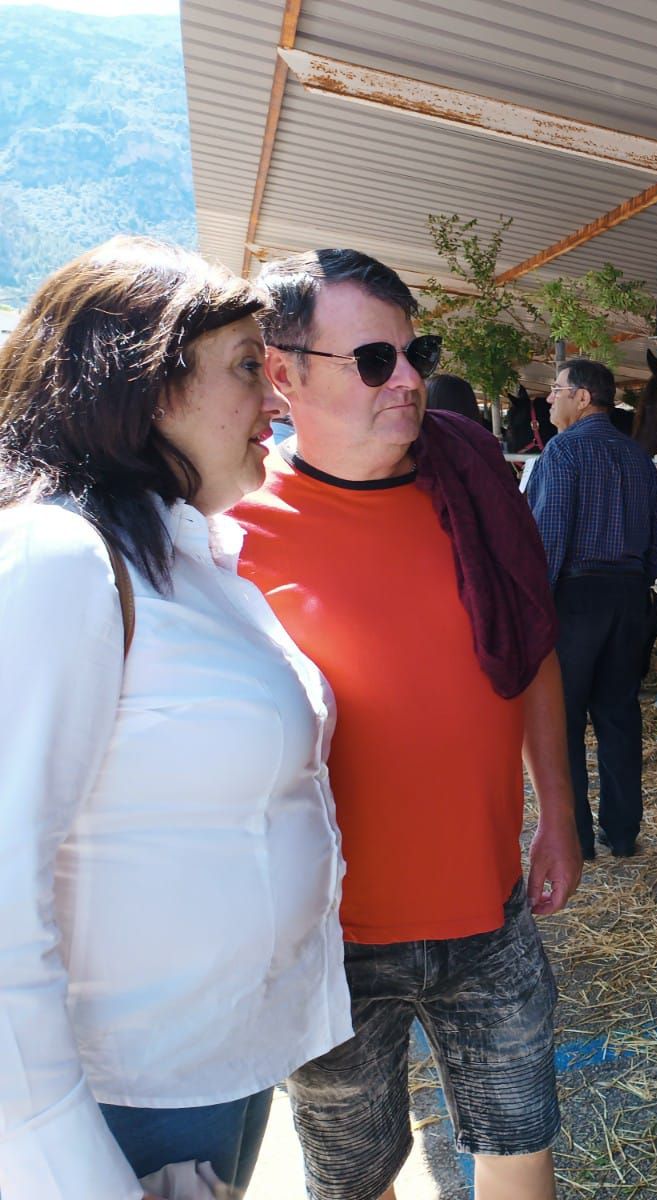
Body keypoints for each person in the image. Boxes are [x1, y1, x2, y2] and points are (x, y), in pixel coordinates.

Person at [0, 237, 350, 1199]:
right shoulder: (60, 559)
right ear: (143, 388)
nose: (276, 402)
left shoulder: (189, 559)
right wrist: (65, 1157)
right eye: (248, 368)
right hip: (119, 1101)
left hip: (216, 1065)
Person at [231, 248, 582, 1200]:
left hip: (490, 914)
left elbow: (530, 651)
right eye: (375, 360)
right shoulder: (231, 538)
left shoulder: (472, 497)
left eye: (415, 350)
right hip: (328, 943)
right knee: (353, 1182)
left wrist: (560, 808)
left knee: (520, 1152)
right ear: (283, 372)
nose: (412, 380)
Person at [527, 358, 657, 860]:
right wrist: (632, 582)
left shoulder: (562, 454)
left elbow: (545, 541)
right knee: (618, 714)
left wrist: (538, 606)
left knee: (561, 720)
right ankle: (623, 831)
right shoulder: (637, 458)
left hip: (574, 599)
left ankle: (578, 838)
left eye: (556, 389)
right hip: (630, 597)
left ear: (583, 397)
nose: (550, 398)